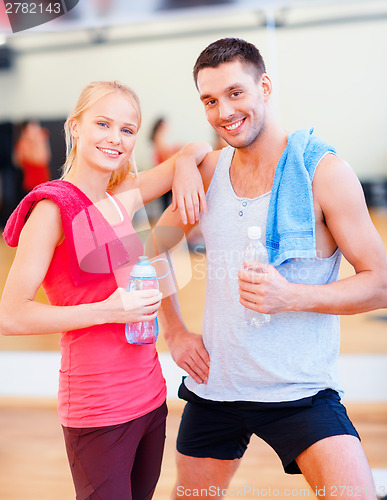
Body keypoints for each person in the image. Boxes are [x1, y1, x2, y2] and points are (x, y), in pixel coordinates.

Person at [154, 38, 387, 499]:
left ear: (264, 87)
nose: (223, 111)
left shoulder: (323, 173)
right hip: (215, 388)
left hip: (299, 392)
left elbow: (380, 284)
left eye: (235, 93)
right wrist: (175, 332)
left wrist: (293, 296)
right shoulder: (206, 172)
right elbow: (147, 251)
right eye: (209, 100)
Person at [0, 80, 211, 500]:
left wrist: (185, 162)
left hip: (150, 397)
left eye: (127, 130)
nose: (115, 138)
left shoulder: (122, 197)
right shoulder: (51, 208)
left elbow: (199, 153)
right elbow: (10, 315)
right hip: (97, 407)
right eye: (103, 123)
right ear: (75, 127)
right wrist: (108, 310)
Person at [150, 117, 181, 212]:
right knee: (167, 204)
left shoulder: (160, 137)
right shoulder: (159, 137)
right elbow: (165, 156)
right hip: (164, 174)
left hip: (164, 172)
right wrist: (177, 150)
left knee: (167, 203)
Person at [13, 120, 51, 194]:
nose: (35, 132)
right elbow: (38, 159)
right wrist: (39, 141)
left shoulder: (39, 142)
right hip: (30, 184)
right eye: (32, 129)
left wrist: (43, 142)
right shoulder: (23, 143)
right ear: (25, 131)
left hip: (43, 181)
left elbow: (46, 158)